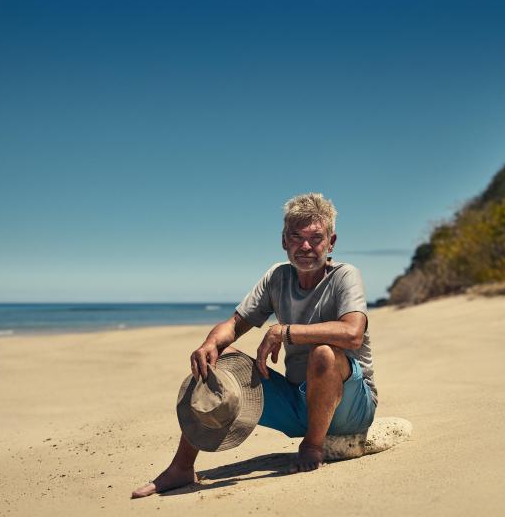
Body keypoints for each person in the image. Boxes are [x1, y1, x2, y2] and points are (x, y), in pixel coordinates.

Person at [132, 193, 377, 498]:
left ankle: (313, 447)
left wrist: (285, 331)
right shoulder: (278, 277)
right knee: (221, 359)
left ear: (331, 241)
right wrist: (210, 342)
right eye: (296, 237)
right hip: (298, 405)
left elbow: (353, 333)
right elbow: (234, 324)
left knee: (323, 353)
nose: (305, 246)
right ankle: (182, 466)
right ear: (283, 241)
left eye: (315, 238)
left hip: (351, 405)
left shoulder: (345, 276)